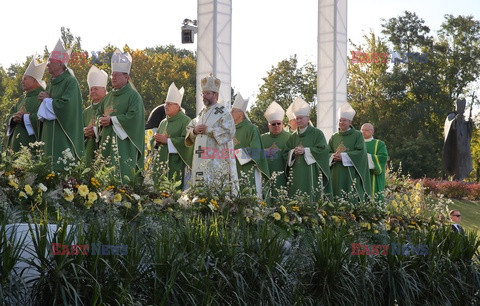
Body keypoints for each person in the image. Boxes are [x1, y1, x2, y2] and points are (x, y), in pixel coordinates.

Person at [97, 49, 145, 183]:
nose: (113, 78)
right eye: (112, 75)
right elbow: (98, 114)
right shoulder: (108, 98)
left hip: (124, 144)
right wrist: (99, 122)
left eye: (117, 75)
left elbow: (135, 117)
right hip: (106, 142)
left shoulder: (134, 96)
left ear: (127, 77)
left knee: (123, 177)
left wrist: (112, 120)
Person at [185, 73, 238, 193]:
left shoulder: (223, 112)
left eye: (207, 93)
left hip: (216, 160)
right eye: (203, 94)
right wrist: (194, 131)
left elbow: (230, 131)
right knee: (200, 189)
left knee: (216, 189)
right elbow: (189, 127)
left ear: (216, 95)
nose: (204, 96)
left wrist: (210, 131)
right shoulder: (201, 113)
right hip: (200, 158)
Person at [37, 39, 84, 170]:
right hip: (49, 132)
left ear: (60, 64)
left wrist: (47, 100)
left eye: (50, 62)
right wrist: (45, 99)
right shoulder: (52, 83)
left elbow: (67, 107)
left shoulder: (70, 82)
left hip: (63, 133)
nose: (47, 65)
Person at [285, 97, 331, 201]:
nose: (299, 120)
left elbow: (323, 150)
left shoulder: (317, 133)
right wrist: (293, 153)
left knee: (311, 195)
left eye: (301, 118)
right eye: (297, 118)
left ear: (308, 119)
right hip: (296, 171)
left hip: (312, 172)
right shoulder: (292, 136)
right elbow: (285, 152)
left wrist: (306, 151)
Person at [328, 102, 371, 202]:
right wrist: (332, 156)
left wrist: (343, 157)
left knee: (350, 197)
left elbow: (361, 153)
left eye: (344, 121)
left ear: (350, 122)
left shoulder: (357, 135)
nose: (341, 123)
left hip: (350, 173)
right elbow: (327, 152)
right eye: (340, 120)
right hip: (336, 172)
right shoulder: (334, 136)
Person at [153, 82, 193, 189]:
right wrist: (156, 141)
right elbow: (158, 144)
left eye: (169, 104)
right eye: (166, 103)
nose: (166, 106)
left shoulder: (186, 121)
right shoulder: (163, 122)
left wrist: (168, 141)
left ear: (178, 106)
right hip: (161, 162)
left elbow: (187, 142)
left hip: (175, 164)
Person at [231, 93, 270, 199]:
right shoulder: (230, 130)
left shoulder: (251, 128)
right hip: (233, 169)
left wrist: (237, 153)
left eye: (233, 110)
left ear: (240, 114)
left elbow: (256, 151)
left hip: (247, 170)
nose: (230, 112)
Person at [6, 58, 47, 152]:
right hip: (14, 146)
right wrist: (13, 118)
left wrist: (25, 118)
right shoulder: (21, 98)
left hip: (32, 145)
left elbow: (43, 121)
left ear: (35, 81)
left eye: (25, 79)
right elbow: (9, 115)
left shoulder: (42, 97)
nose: (22, 82)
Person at [261, 101, 290, 200]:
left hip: (284, 175)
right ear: (269, 125)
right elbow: (253, 154)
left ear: (282, 124)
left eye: (279, 123)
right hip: (266, 174)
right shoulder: (262, 138)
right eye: (273, 124)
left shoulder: (290, 137)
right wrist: (264, 152)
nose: (276, 126)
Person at [443, 98, 474, 181]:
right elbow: (450, 126)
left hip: (462, 147)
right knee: (455, 164)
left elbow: (467, 133)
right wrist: (456, 120)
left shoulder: (462, 119)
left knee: (462, 164)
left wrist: (469, 124)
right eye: (460, 107)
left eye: (463, 108)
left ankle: (460, 179)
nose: (462, 109)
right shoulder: (451, 116)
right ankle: (455, 178)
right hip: (454, 147)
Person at [83, 65, 107, 167]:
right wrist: (84, 131)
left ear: (104, 90)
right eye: (91, 89)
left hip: (103, 151)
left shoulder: (108, 108)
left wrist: (96, 131)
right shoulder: (85, 112)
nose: (92, 91)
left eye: (95, 89)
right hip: (87, 150)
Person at [361, 123, 388, 197]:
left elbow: (383, 157)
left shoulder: (379, 144)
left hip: (373, 177)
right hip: (359, 176)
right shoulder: (357, 144)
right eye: (362, 130)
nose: (363, 132)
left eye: (366, 130)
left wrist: (364, 157)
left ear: (372, 132)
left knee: (374, 199)